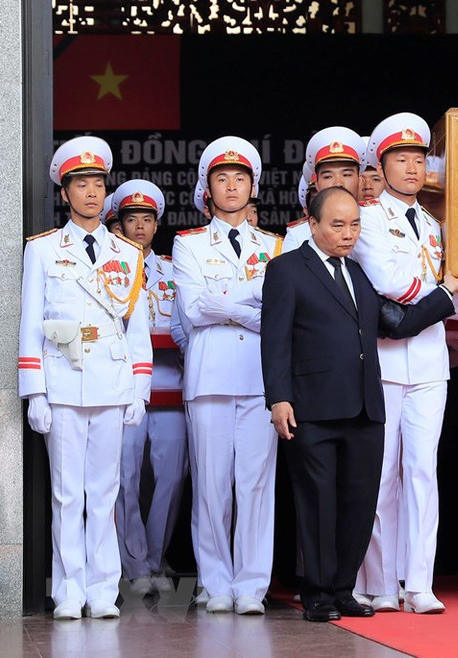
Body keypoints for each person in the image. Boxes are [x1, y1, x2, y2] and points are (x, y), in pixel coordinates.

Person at [261, 186, 458, 622]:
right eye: (338, 225)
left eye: (355, 225)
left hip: (365, 405)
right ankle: (318, 594)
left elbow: (397, 326)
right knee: (318, 502)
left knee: (360, 502)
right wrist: (279, 398)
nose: (348, 234)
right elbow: (275, 339)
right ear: (313, 223)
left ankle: (344, 589)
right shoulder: (287, 269)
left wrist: (446, 292)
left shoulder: (360, 272)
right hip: (313, 405)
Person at [19, 136, 152, 619]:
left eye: (98, 183)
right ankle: (69, 591)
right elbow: (30, 322)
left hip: (111, 384)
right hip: (63, 382)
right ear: (65, 193)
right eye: (81, 184)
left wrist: (139, 388)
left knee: (105, 491)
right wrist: (34, 390)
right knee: (65, 491)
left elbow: (136, 330)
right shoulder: (43, 250)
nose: (92, 193)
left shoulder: (127, 252)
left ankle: (102, 589)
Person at [172, 136, 283, 615]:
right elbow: (195, 311)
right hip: (210, 377)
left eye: (240, 178)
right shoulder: (188, 242)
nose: (232, 186)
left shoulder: (274, 245)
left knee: (256, 484)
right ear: (207, 189)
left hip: (261, 380)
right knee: (212, 485)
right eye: (223, 178)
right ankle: (216, 583)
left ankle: (252, 585)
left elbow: (279, 315)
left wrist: (228, 304)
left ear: (252, 186)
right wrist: (250, 301)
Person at [351, 112, 452, 614]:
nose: (412, 169)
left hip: (431, 358)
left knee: (422, 471)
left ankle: (419, 582)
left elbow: (447, 287)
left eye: (418, 159)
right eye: (401, 159)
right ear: (381, 164)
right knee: (382, 471)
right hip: (386, 359)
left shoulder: (434, 223)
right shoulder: (366, 217)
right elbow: (389, 280)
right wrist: (447, 291)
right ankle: (379, 581)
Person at [112, 180, 189, 598]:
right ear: (118, 223)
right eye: (130, 219)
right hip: (124, 386)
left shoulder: (173, 269)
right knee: (124, 477)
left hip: (170, 385)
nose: (139, 226)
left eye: (146, 219)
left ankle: (157, 558)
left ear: (156, 224)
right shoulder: (108, 264)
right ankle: (133, 561)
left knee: (171, 477)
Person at [285, 127, 365, 251]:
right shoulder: (298, 234)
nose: (338, 183)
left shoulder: (379, 222)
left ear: (360, 180)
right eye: (328, 176)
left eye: (347, 175)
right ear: (316, 184)